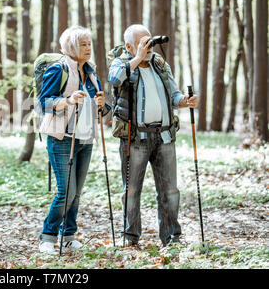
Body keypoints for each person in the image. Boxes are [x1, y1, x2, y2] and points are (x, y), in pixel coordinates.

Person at [108, 24, 198, 246]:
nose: (149, 46)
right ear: (129, 45)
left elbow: (173, 93)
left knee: (170, 190)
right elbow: (115, 80)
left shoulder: (159, 63)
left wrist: (184, 102)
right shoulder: (122, 62)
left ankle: (171, 236)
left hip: (165, 136)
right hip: (136, 139)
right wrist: (137, 58)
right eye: (142, 42)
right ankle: (130, 236)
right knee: (131, 190)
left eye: (150, 41)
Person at [37, 26, 111, 254]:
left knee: (76, 193)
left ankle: (68, 236)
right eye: (83, 44)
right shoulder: (58, 70)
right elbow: (44, 103)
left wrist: (102, 104)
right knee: (66, 192)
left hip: (85, 139)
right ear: (71, 46)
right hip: (62, 139)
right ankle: (47, 238)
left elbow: (103, 110)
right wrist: (68, 100)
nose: (88, 48)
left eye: (89, 44)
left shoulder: (91, 73)